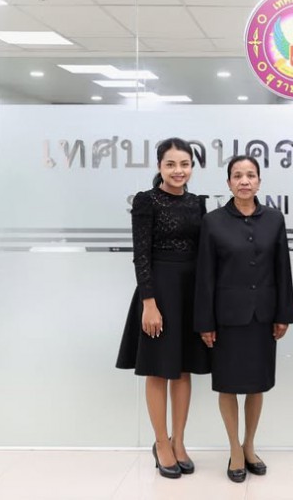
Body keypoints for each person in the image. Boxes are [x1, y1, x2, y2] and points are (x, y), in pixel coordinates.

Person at [194, 155, 293, 483]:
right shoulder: (213, 221)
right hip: (226, 318)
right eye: (237, 175)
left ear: (259, 181)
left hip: (263, 317)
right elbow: (205, 276)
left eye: (250, 175)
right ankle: (234, 449)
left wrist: (283, 314)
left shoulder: (274, 219)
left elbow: (282, 269)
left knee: (256, 385)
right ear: (228, 183)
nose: (244, 181)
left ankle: (249, 445)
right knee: (228, 385)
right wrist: (205, 322)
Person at [116, 138, 211, 479]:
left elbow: (203, 253)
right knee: (158, 370)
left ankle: (178, 441)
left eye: (184, 164)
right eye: (170, 164)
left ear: (192, 167)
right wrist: (149, 303)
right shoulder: (146, 200)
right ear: (159, 166)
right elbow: (140, 254)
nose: (178, 170)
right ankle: (160, 442)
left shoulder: (197, 203)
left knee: (183, 370)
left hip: (189, 293)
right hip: (158, 293)